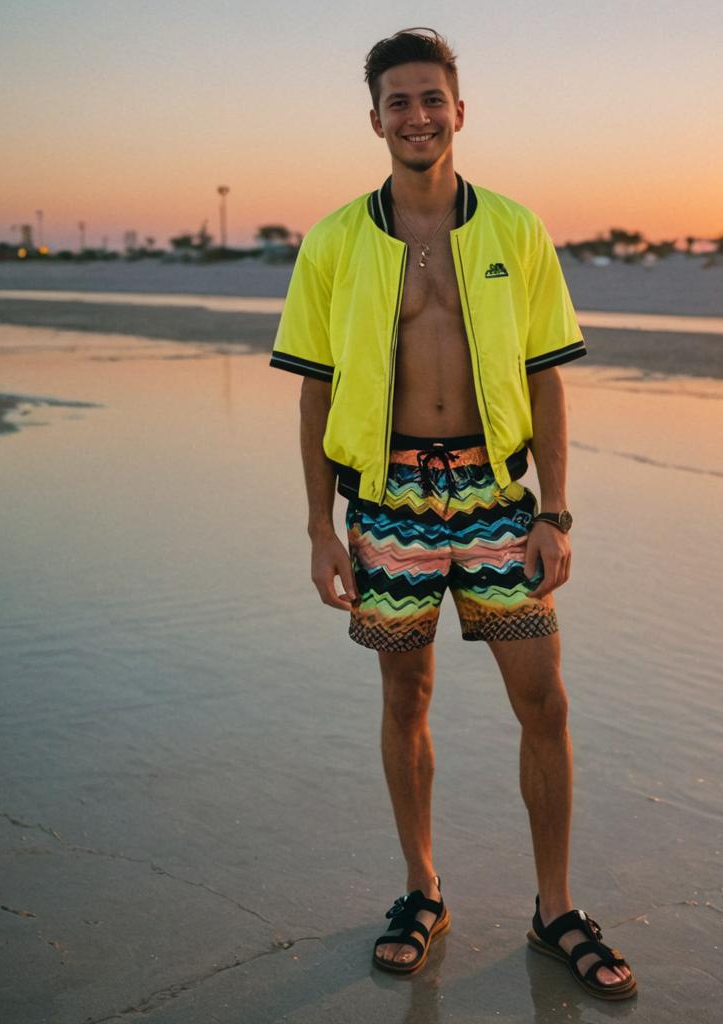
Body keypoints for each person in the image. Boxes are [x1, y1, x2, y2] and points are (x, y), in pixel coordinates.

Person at [269, 27, 636, 1001]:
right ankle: (420, 888)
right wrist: (318, 528)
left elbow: (550, 381)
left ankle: (555, 907)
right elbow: (312, 394)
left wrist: (554, 510)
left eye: (432, 98)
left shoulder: (514, 228)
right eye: (398, 101)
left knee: (543, 699)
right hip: (386, 499)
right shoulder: (336, 242)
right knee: (405, 699)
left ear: (458, 111)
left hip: (490, 494)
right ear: (376, 118)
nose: (417, 116)